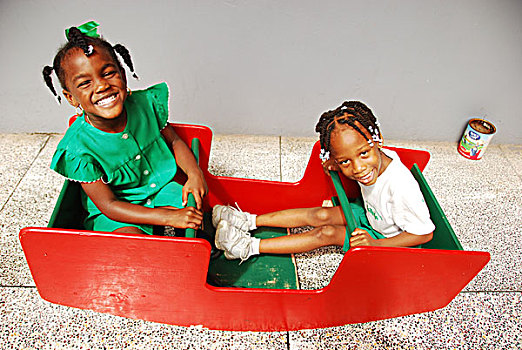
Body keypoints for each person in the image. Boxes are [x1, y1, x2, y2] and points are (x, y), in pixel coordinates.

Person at [212, 101, 434, 262]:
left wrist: (374, 244)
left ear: (377, 140)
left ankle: (246, 247)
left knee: (326, 233)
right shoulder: (372, 158)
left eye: (364, 154)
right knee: (320, 214)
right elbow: (354, 157)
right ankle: (249, 221)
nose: (358, 169)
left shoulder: (402, 186)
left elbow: (424, 234)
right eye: (345, 161)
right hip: (371, 214)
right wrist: (337, 165)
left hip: (384, 238)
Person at [42, 22, 207, 235]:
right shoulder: (77, 150)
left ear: (123, 74)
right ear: (71, 98)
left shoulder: (145, 104)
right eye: (85, 83)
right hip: (117, 212)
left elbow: (174, 141)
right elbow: (109, 205)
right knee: (132, 240)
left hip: (160, 189)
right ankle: (160, 242)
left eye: (109, 73)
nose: (101, 86)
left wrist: (194, 174)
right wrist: (168, 216)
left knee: (197, 210)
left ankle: (193, 243)